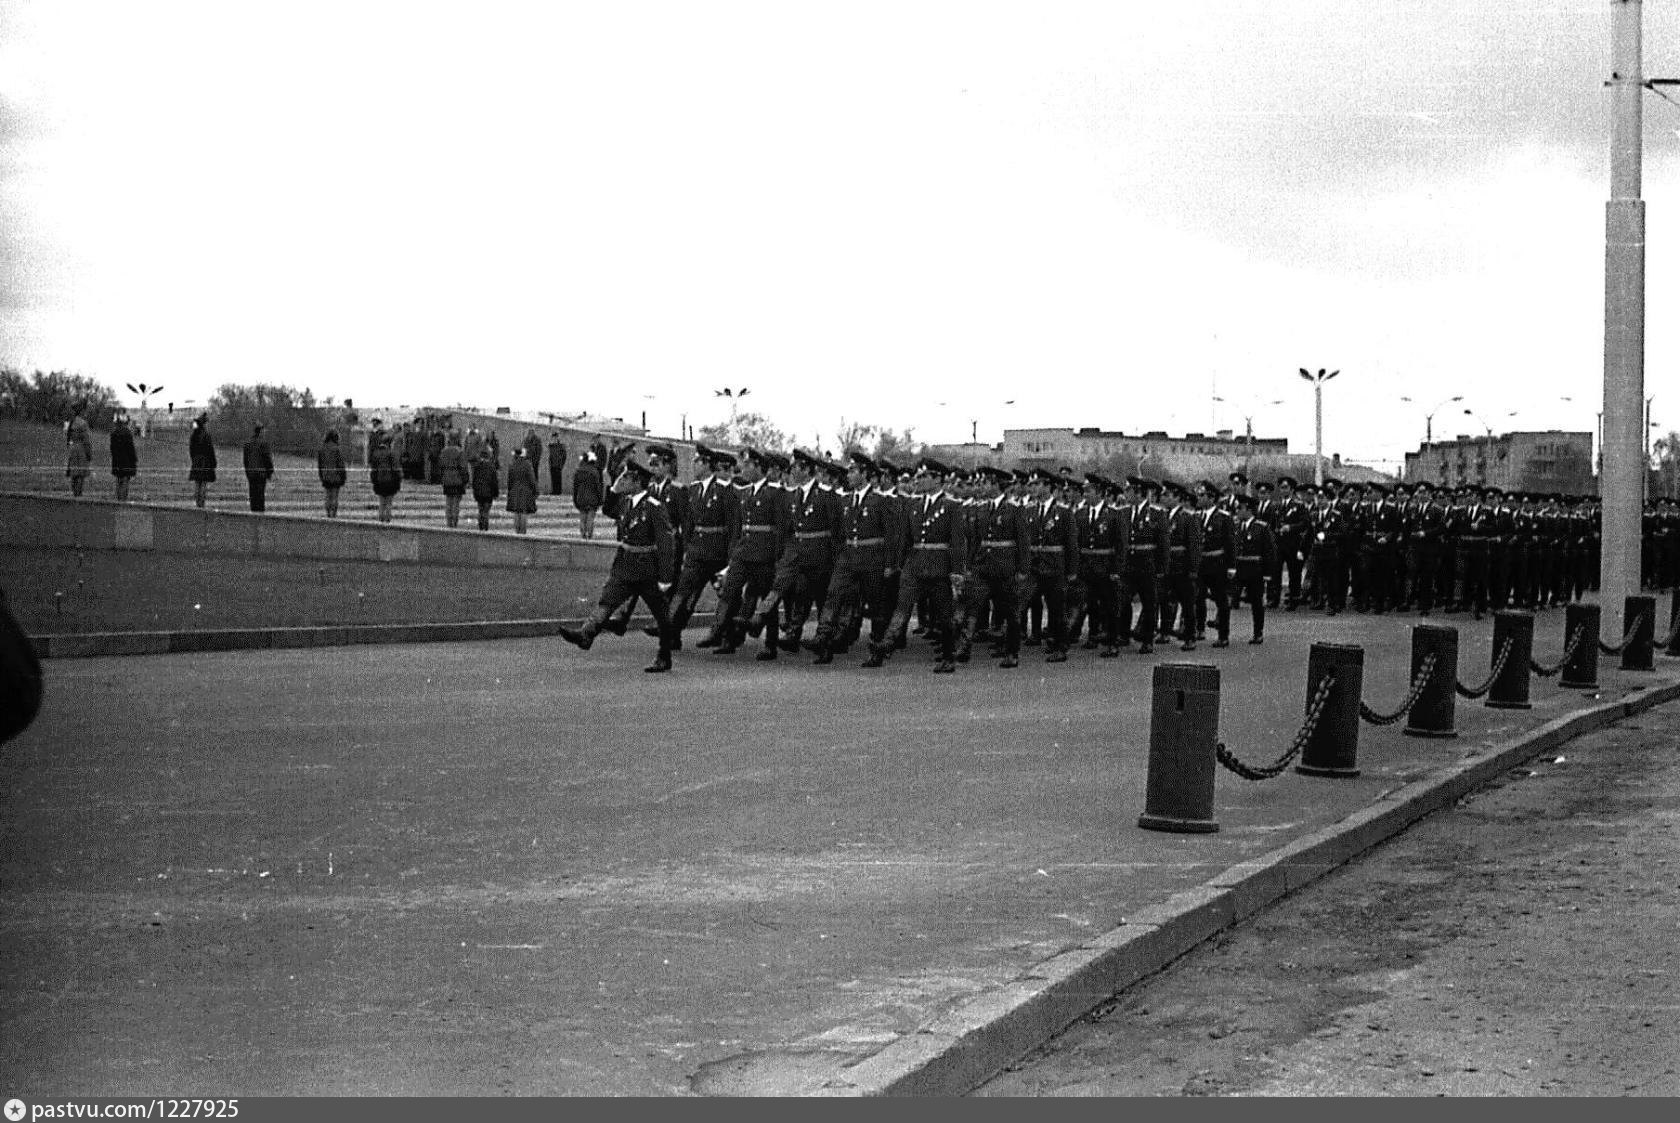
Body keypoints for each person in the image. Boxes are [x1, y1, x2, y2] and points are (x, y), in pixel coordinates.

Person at [559, 457, 679, 673]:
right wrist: (613, 488)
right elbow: (608, 509)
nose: (624, 481)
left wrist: (665, 578)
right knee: (608, 600)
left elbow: (666, 543)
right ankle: (586, 634)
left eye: (628, 478)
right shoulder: (626, 502)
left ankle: (664, 656)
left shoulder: (654, 507)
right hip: (625, 566)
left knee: (661, 614)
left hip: (647, 569)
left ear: (638, 482)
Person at [868, 457, 967, 672]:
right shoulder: (913, 504)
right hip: (914, 565)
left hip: (938, 566)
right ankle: (885, 645)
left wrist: (957, 571)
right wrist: (898, 563)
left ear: (938, 479)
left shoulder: (951, 506)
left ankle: (948, 656)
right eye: (919, 477)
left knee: (944, 614)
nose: (919, 481)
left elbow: (958, 542)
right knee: (902, 607)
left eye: (924, 477)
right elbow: (904, 538)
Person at [702, 447, 789, 657]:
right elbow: (739, 526)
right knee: (729, 591)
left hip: (764, 554)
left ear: (760, 467)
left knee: (766, 597)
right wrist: (733, 553)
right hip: (743, 552)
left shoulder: (775, 493)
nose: (744, 469)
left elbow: (781, 528)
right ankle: (721, 633)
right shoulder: (745, 492)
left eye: (749, 465)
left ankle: (770, 644)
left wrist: (777, 557)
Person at [1231, 493, 1277, 644]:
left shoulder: (1261, 527)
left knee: (1256, 602)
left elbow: (1269, 551)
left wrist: (1268, 573)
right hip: (1239, 568)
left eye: (1240, 508)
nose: (1237, 511)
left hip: (1255, 570)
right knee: (1228, 597)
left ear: (1249, 510)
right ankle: (1221, 627)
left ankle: (1258, 632)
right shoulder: (1237, 526)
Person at [368, 422, 402, 522]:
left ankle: (381, 520)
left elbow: (373, 470)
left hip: (379, 481)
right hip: (390, 481)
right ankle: (387, 521)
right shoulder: (391, 453)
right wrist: (398, 481)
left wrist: (374, 481)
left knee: (381, 503)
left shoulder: (376, 453)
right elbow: (395, 469)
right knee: (389, 503)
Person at [437, 430, 469, 528]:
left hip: (447, 478)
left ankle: (448, 521)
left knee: (448, 501)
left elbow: (440, 466)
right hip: (458, 479)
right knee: (456, 502)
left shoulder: (444, 451)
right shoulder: (460, 452)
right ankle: (454, 522)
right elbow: (463, 467)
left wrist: (442, 477)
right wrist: (465, 480)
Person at [572, 450, 605, 539]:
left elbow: (575, 487)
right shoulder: (594, 471)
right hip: (592, 499)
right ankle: (589, 536)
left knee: (582, 518)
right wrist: (600, 499)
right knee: (590, 518)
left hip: (581, 498)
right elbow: (598, 487)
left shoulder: (578, 471)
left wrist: (575, 499)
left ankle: (583, 534)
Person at [242, 423, 275, 512]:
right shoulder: (264, 443)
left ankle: (253, 513)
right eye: (263, 431)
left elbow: (245, 461)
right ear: (260, 431)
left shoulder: (247, 444)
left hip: (251, 474)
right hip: (261, 474)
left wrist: (247, 473)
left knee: (253, 495)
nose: (264, 433)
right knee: (260, 495)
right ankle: (260, 515)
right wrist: (270, 472)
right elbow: (267, 459)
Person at [506, 445, 538, 535]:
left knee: (516, 512)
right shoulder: (527, 464)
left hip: (515, 490)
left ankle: (517, 531)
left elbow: (509, 480)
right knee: (523, 512)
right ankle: (523, 531)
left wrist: (509, 491)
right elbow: (532, 479)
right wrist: (535, 490)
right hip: (525, 491)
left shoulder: (512, 464)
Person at [187, 413, 217, 508]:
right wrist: (213, 462)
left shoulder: (193, 436)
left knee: (197, 483)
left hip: (196, 461)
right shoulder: (206, 435)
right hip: (205, 461)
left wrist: (194, 459)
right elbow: (210, 449)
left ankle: (197, 503)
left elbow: (191, 450)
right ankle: (202, 503)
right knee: (203, 483)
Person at [317, 429, 348, 517]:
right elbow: (340, 464)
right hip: (336, 476)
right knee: (335, 497)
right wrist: (343, 476)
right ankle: (333, 514)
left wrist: (321, 476)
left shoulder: (322, 449)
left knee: (327, 496)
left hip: (325, 476)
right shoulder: (337, 449)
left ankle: (328, 514)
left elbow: (320, 465)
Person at [64, 402, 93, 497]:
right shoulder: (83, 424)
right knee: (80, 475)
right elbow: (86, 441)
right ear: (81, 411)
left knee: (74, 474)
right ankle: (78, 496)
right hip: (81, 451)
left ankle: (74, 495)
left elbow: (68, 439)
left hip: (73, 449)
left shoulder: (72, 422)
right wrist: (89, 454)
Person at [109, 413, 138, 501]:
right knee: (125, 481)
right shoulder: (127, 433)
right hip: (127, 461)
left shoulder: (114, 433)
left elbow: (112, 448)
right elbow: (131, 448)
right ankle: (123, 500)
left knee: (118, 480)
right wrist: (134, 460)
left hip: (117, 460)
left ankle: (119, 499)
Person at [470, 444, 500, 530]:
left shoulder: (477, 466)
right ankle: (485, 527)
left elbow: (474, 481)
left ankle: (480, 526)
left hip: (479, 493)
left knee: (480, 510)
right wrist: (496, 493)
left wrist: (475, 492)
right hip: (488, 493)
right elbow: (494, 481)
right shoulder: (491, 467)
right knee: (486, 511)